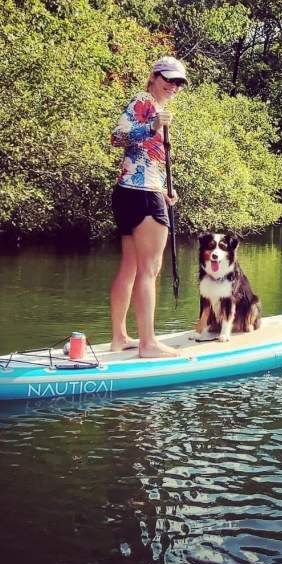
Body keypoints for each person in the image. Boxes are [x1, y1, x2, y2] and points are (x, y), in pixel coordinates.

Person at [109, 56, 188, 358]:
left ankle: (120, 338)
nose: (174, 86)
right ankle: (148, 344)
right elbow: (117, 137)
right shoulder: (143, 101)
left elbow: (148, 158)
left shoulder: (156, 108)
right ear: (154, 76)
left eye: (179, 82)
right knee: (149, 270)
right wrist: (153, 126)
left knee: (130, 267)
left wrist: (166, 188)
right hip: (142, 195)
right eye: (168, 78)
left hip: (132, 191)